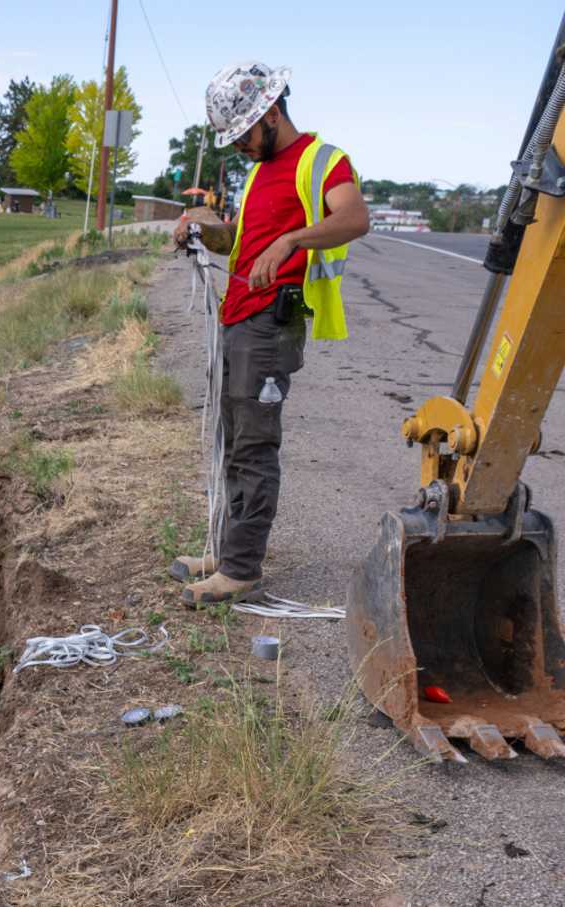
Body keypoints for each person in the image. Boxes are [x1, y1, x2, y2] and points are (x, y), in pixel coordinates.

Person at [170, 62, 369, 606]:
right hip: (237, 317)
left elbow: (354, 219)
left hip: (269, 326)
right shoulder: (258, 169)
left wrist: (291, 242)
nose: (238, 147)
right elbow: (239, 241)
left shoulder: (322, 161)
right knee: (231, 443)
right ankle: (227, 548)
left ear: (272, 114)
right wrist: (202, 228)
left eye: (242, 135)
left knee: (254, 448)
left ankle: (241, 569)